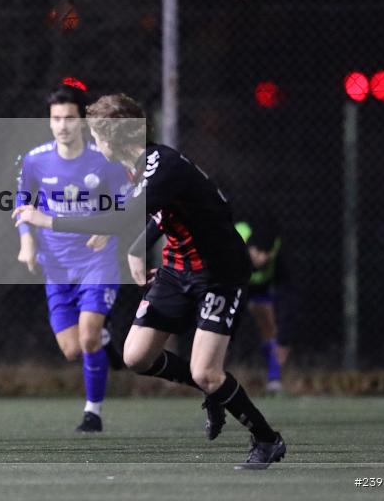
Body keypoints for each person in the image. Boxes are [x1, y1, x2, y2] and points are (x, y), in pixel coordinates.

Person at [14, 93, 286, 469]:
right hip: (177, 270)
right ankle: (213, 392)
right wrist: (138, 248)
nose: (94, 142)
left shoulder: (162, 166)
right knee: (136, 357)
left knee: (206, 371)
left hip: (219, 274)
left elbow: (120, 219)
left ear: (115, 137)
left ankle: (267, 439)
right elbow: (162, 215)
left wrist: (47, 220)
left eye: (97, 135)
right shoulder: (137, 168)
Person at [15, 79, 127, 432]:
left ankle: (93, 412)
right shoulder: (35, 161)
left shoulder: (104, 161)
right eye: (56, 119)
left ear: (82, 121)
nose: (62, 125)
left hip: (97, 261)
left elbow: (125, 204)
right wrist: (26, 241)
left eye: (69, 118)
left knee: (88, 337)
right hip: (56, 266)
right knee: (72, 349)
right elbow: (22, 204)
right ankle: (105, 339)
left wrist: (108, 228)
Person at [235, 217, 291, 394]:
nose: (262, 257)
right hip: (232, 285)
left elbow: (288, 294)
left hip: (259, 289)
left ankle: (274, 379)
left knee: (269, 326)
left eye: (267, 253)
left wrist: (284, 339)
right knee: (219, 325)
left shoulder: (277, 250)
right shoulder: (235, 238)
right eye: (258, 251)